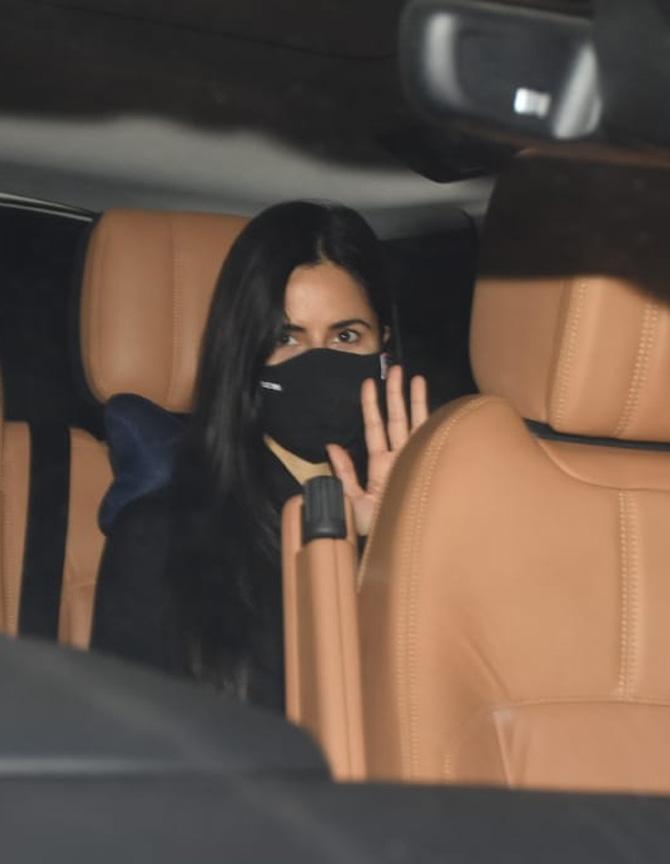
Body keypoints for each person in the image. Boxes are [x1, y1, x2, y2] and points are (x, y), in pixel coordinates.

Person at [91, 201, 428, 712]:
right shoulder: (160, 539)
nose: (317, 360)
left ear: (383, 347)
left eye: (345, 336)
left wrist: (388, 555)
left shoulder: (429, 533)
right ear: (244, 355)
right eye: (286, 338)